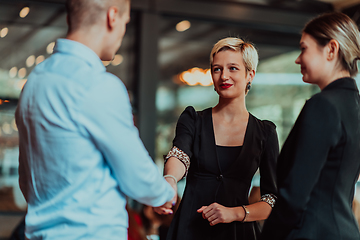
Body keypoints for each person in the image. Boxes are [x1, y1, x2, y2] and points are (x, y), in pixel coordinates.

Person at [15, 0, 175, 239]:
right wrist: (166, 193)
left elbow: (27, 181)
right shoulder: (99, 85)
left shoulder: (34, 82)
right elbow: (137, 175)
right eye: (125, 22)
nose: (123, 31)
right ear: (112, 17)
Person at [154, 37, 279, 240]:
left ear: (250, 75)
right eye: (217, 69)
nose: (224, 76)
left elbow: (271, 199)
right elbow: (180, 154)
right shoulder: (193, 119)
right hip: (189, 231)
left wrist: (235, 213)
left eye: (233, 68)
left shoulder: (265, 132)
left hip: (238, 234)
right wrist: (169, 179)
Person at [261, 12, 360, 240]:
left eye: (304, 48)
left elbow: (294, 196)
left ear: (331, 50)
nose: (298, 59)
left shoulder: (323, 106)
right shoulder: (354, 104)